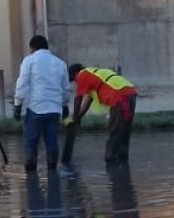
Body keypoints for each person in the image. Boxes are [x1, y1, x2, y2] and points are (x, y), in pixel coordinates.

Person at [14, 35, 71, 172]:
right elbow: (65, 88)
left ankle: (30, 171)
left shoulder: (29, 60)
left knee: (31, 141)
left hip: (36, 107)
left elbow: (22, 83)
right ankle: (52, 170)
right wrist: (65, 106)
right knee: (52, 140)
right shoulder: (60, 63)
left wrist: (17, 104)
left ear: (32, 47)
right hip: (54, 109)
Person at [68, 64, 137, 164]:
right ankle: (123, 159)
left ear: (75, 73)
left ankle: (110, 161)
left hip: (119, 96)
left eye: (74, 80)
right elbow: (88, 100)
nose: (76, 82)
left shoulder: (82, 74)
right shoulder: (94, 74)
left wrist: (75, 118)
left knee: (115, 130)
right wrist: (79, 117)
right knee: (125, 130)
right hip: (130, 93)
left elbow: (78, 99)